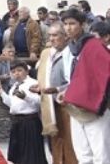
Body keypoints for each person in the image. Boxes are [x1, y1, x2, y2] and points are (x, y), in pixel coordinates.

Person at [58, 8, 110, 163]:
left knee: (101, 154)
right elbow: (74, 78)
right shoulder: (69, 49)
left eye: (72, 23)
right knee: (83, 155)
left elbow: (104, 73)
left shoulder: (94, 46)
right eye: (65, 24)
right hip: (75, 106)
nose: (68, 27)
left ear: (82, 25)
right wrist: (66, 91)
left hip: (95, 106)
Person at [32, 21, 77, 164]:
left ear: (66, 37)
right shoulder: (48, 54)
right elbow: (44, 78)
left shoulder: (72, 54)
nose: (51, 39)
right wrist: (40, 88)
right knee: (56, 144)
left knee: (71, 144)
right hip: (51, 106)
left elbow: (75, 82)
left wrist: (57, 89)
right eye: (49, 35)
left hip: (69, 107)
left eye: (55, 35)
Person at [0, 61, 47, 164]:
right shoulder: (14, 87)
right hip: (17, 122)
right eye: (13, 71)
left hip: (30, 121)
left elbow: (40, 102)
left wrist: (26, 97)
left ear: (26, 71)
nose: (17, 73)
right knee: (19, 153)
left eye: (19, 70)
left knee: (31, 153)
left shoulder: (33, 83)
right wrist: (2, 93)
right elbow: (12, 104)